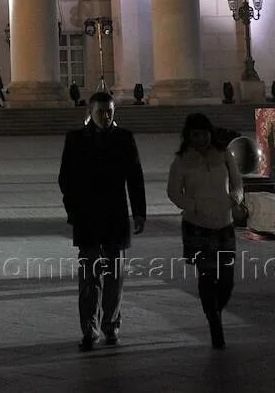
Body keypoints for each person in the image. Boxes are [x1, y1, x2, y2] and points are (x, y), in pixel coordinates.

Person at [58, 90, 145, 352]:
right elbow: (65, 178)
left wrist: (139, 213)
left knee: (114, 278)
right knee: (89, 280)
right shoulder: (74, 139)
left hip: (116, 217)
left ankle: (111, 325)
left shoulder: (124, 138)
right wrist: (73, 209)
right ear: (90, 113)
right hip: (87, 218)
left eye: (109, 112)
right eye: (100, 112)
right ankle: (89, 329)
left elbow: (135, 178)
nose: (105, 116)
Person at [166, 112, 243, 348]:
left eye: (204, 134)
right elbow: (173, 191)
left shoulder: (224, 155)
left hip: (224, 222)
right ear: (188, 136)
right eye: (196, 135)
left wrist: (235, 198)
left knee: (227, 280)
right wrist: (193, 206)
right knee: (207, 277)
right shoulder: (181, 161)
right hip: (197, 225)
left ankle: (214, 312)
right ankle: (214, 323)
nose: (201, 139)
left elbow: (238, 181)